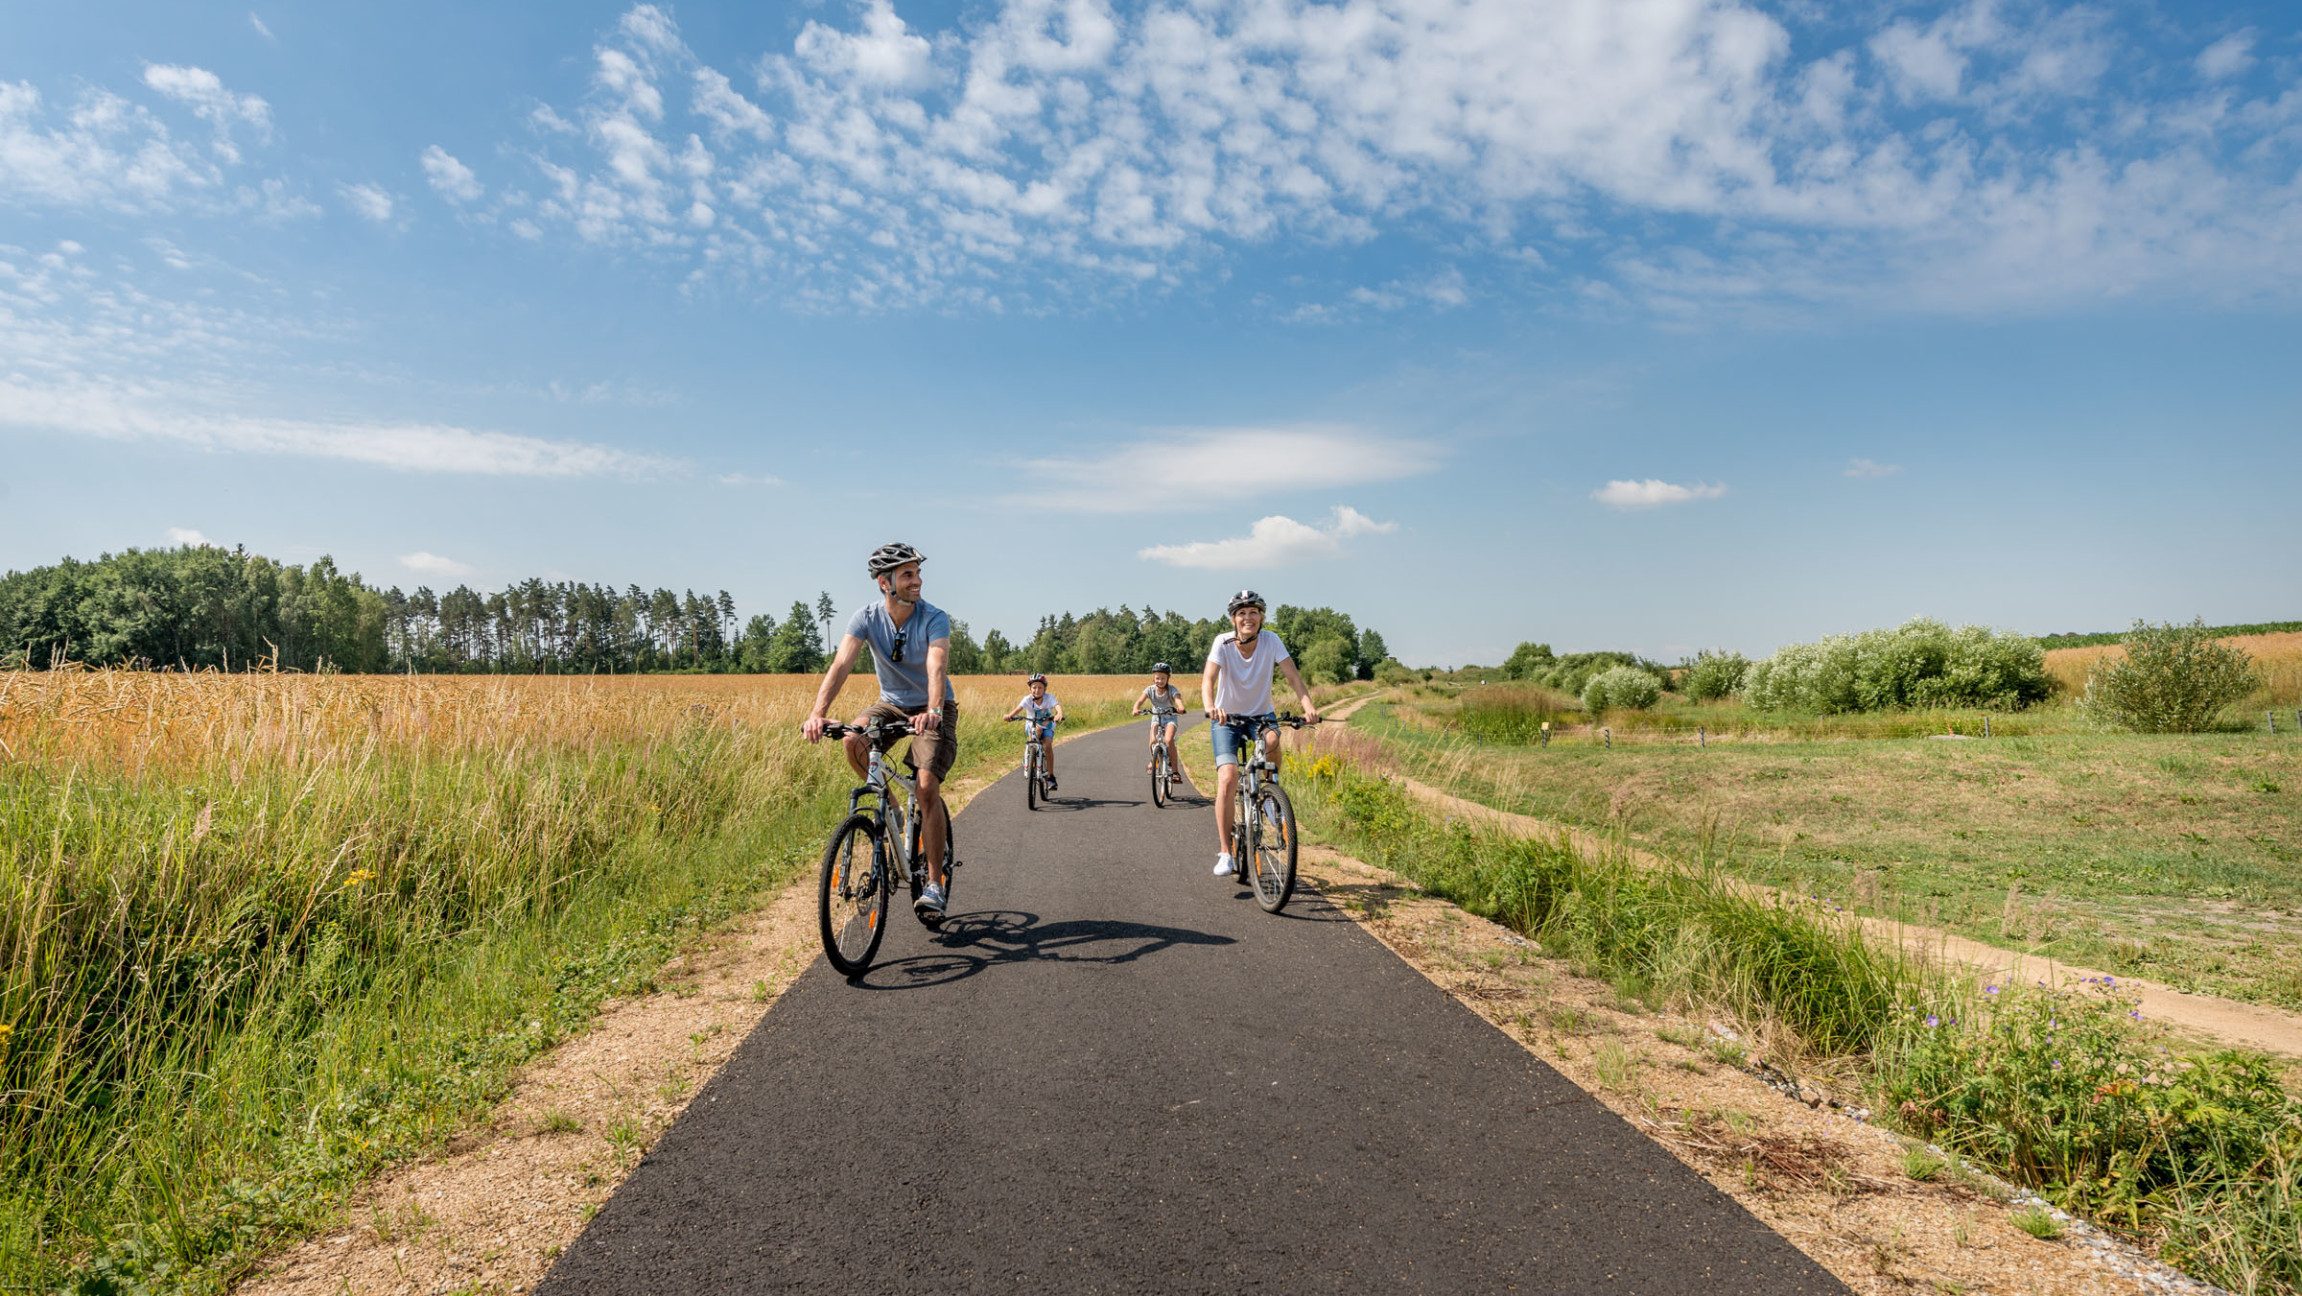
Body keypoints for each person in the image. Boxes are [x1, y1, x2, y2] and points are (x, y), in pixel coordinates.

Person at [803, 542, 959, 921]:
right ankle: (888, 803)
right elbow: (841, 663)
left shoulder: (934, 617)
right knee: (853, 738)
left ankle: (935, 883)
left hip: (933, 707)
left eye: (918, 573)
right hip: (890, 703)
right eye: (908, 575)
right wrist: (818, 713)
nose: (917, 581)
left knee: (925, 787)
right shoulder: (866, 618)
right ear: (884, 583)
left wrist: (934, 710)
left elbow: (936, 666)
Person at [1202, 590, 1319, 878]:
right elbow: (1208, 679)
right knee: (1228, 778)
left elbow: (1293, 677)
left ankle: (1268, 794)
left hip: (1260, 715)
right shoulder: (1223, 642)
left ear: (1261, 617)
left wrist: (1308, 706)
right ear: (1233, 619)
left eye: (1253, 612)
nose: (1247, 618)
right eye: (1241, 613)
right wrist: (1209, 706)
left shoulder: (1272, 641)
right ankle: (1225, 852)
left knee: (1272, 739)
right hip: (1226, 718)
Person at [1001, 673, 1064, 792]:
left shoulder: (1049, 698)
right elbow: (1018, 709)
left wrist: (1059, 714)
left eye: (1040, 687)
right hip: (1031, 725)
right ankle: (1030, 757)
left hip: (1047, 726)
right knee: (1035, 734)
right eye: (1034, 687)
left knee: (1047, 745)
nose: (1037, 690)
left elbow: (1057, 706)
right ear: (1030, 688)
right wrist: (1009, 716)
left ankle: (1050, 777)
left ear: (1044, 688)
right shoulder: (1027, 699)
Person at [1131, 661, 1187, 773]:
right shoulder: (1149, 690)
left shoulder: (1172, 689)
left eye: (1163, 678)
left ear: (1168, 678)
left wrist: (1180, 707)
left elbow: (1178, 700)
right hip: (1156, 717)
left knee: (1168, 739)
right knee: (1152, 740)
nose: (1160, 681)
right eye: (1157, 678)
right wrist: (1135, 709)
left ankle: (1175, 771)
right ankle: (1154, 760)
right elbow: (1139, 701)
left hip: (1170, 718)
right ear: (1153, 678)